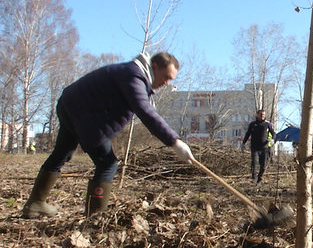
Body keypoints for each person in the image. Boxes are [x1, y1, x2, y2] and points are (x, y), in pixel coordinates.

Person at [21, 52, 195, 219]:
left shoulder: (134, 75)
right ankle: (94, 219)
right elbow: (145, 111)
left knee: (62, 152)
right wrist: (174, 142)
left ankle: (35, 203)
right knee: (107, 163)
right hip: (83, 114)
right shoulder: (133, 76)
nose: (167, 82)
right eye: (166, 76)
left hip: (70, 104)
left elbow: (147, 108)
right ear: (155, 66)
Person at [242, 109, 275, 184]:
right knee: (254, 162)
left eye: (263, 114)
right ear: (257, 115)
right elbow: (248, 134)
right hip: (255, 147)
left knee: (263, 165)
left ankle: (260, 178)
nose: (262, 116)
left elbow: (273, 133)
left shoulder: (268, 124)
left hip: (265, 148)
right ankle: (254, 178)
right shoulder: (252, 124)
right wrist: (243, 143)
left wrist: (273, 139)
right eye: (261, 114)